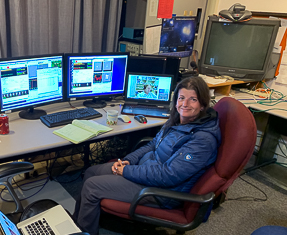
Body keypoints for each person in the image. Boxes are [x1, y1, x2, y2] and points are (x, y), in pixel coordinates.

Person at [73, 76, 221, 235]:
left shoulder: (202, 140)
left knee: (92, 187)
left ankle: (85, 231)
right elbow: (153, 144)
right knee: (91, 172)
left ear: (203, 104)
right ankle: (77, 224)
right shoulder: (178, 120)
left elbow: (168, 176)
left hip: (160, 191)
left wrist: (126, 171)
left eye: (193, 99)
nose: (185, 104)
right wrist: (128, 161)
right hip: (145, 170)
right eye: (182, 98)